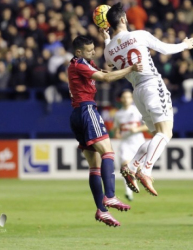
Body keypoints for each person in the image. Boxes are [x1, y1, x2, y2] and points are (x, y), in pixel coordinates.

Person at [103, 2, 193, 196]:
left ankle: (132, 165)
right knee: (166, 133)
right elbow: (164, 49)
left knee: (157, 136)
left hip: (136, 91)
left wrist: (107, 40)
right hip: (152, 85)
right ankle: (146, 170)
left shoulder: (108, 50)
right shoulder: (139, 34)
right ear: (123, 19)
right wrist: (185, 45)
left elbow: (110, 61)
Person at [68, 35, 143, 227]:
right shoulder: (79, 65)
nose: (93, 52)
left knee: (94, 165)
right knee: (108, 152)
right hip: (87, 110)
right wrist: (131, 68)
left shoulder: (83, 63)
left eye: (93, 48)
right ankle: (109, 196)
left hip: (77, 113)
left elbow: (104, 70)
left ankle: (102, 211)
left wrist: (107, 37)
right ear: (78, 52)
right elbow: (106, 78)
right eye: (89, 50)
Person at [112, 89, 149, 201]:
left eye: (128, 97)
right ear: (121, 99)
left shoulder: (138, 111)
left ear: (132, 99)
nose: (126, 99)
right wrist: (117, 133)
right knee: (125, 166)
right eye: (124, 97)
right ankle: (128, 191)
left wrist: (137, 129)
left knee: (138, 169)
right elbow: (116, 129)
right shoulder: (118, 114)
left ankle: (141, 184)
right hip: (125, 143)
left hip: (138, 142)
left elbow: (148, 125)